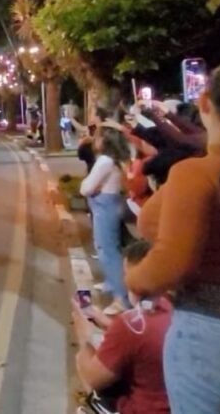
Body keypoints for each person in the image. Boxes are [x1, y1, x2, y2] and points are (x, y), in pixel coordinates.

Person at [126, 61, 220, 413]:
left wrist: (135, 277)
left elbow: (170, 263)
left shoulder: (199, 174)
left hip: (214, 338)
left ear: (204, 103)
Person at [73, 240, 172, 414]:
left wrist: (84, 339)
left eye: (127, 275)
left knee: (84, 362)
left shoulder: (130, 325)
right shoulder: (178, 307)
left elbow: (92, 378)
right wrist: (107, 323)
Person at [81, 123, 132, 314]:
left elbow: (86, 188)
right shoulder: (114, 160)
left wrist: (86, 185)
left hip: (104, 206)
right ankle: (112, 283)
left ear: (105, 140)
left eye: (98, 136)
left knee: (108, 251)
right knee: (108, 247)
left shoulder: (104, 161)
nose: (95, 139)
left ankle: (121, 298)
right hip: (110, 204)